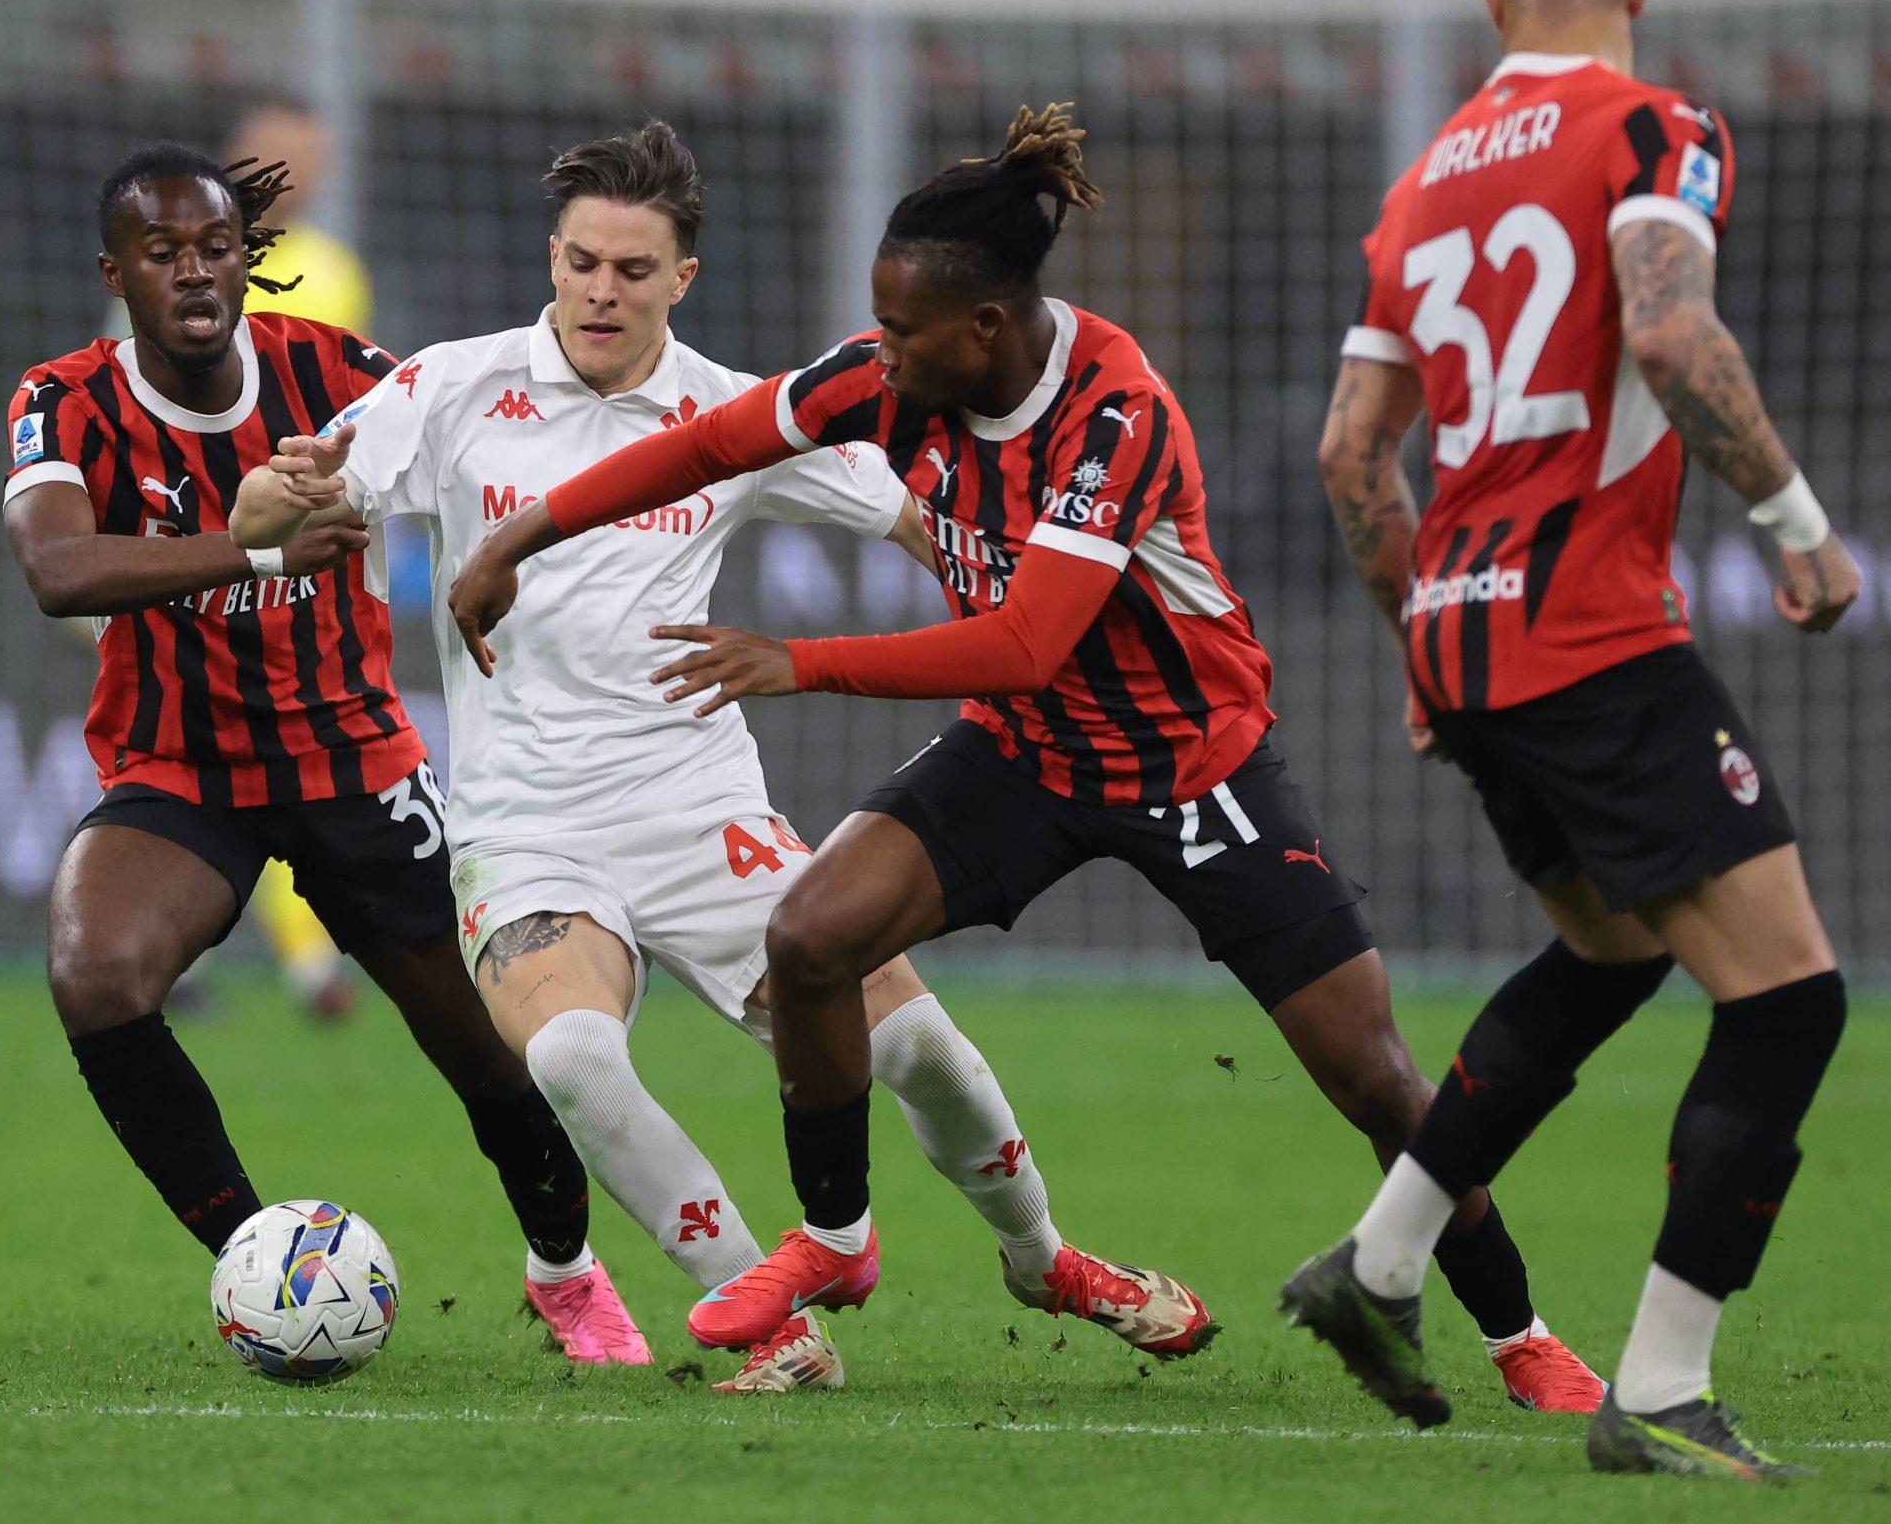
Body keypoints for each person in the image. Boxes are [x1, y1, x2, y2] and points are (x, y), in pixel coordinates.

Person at [443, 106, 1603, 1412]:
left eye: (903, 330)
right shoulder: (892, 374)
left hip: (1188, 763)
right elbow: (716, 440)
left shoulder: (1116, 415)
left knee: (1369, 1069)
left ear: (987, 328)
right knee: (815, 931)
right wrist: (518, 536)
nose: (879, 352)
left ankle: (1521, 1333)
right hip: (1028, 757)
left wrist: (801, 657)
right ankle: (831, 1237)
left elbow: (1027, 639)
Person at [234, 120, 1212, 1394]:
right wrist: (285, 487)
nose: (601, 289)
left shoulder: (729, 411)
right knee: (571, 1057)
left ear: (681, 277)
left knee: (917, 1048)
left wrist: (1065, 620)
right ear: (553, 255)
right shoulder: (451, 387)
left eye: (633, 270)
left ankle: (1042, 1254)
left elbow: (930, 525)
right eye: (581, 260)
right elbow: (270, 511)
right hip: (523, 822)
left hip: (699, 810)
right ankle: (769, 1322)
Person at [1288, 0, 1861, 1482]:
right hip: (1590, 629)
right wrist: (1796, 522)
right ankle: (1663, 1391)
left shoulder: (1417, 189)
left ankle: (1384, 1264)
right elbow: (1670, 339)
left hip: (1466, 634)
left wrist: (1419, 644)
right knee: (1791, 999)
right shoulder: (1650, 128)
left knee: (1610, 950)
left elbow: (1351, 457)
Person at [1, 144, 618, 1361]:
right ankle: (260, 1262)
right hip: (180, 772)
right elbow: (58, 569)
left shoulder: (340, 373)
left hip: (355, 761)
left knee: (498, 1051)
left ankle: (569, 1272)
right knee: (95, 970)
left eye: (215, 248)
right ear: (113, 270)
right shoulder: (62, 398)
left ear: (248, 260)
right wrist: (265, 550)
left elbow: (492, 456)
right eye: (161, 251)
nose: (192, 270)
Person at [222, 99, 379, 1023]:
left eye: (305, 159)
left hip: (280, 535)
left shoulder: (330, 272)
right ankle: (171, 956)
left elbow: (332, 413)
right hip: (179, 529)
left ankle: (308, 957)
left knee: (281, 738)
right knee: (165, 734)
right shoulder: (173, 254)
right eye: (274, 154)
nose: (289, 173)